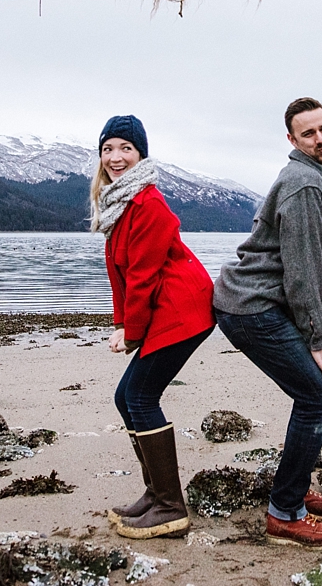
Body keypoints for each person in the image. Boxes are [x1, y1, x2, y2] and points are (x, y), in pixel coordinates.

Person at [211, 97, 322, 550]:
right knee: (317, 399)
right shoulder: (304, 185)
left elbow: (298, 267)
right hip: (251, 308)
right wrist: (317, 341)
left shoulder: (307, 178)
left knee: (311, 396)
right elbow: (304, 271)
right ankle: (285, 512)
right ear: (292, 140)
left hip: (253, 302)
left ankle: (296, 486)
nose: (320, 139)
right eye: (308, 133)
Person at [93, 114, 215, 540]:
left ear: (140, 154)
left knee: (140, 397)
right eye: (108, 148)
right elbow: (121, 276)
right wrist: (123, 322)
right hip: (164, 308)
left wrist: (132, 334)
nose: (116, 156)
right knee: (126, 396)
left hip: (184, 309)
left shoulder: (147, 203)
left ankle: (170, 507)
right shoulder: (118, 205)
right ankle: (154, 493)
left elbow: (143, 276)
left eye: (125, 148)